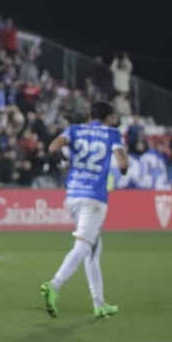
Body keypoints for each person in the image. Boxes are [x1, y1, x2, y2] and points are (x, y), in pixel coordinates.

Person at [40, 100, 129, 319]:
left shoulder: (74, 130)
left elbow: (53, 147)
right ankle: (54, 284)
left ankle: (99, 303)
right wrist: (124, 169)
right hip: (94, 197)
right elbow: (123, 164)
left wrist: (62, 163)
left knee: (94, 248)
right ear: (108, 117)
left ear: (90, 114)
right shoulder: (111, 133)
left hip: (73, 195)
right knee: (83, 246)